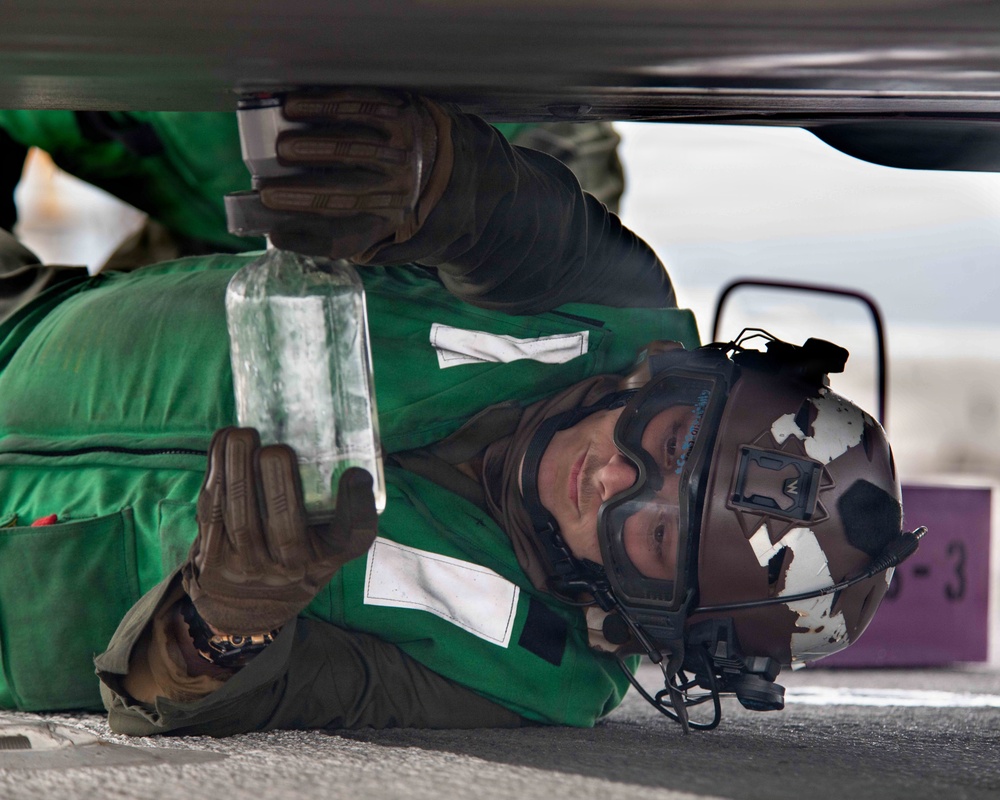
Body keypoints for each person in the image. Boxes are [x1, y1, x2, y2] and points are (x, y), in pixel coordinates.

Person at [0, 90, 913, 734]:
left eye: (657, 536)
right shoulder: (607, 309)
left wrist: (223, 623)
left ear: (649, 617)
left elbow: (258, 699)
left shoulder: (526, 675)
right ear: (679, 379)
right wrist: (425, 173)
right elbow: (502, 211)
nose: (613, 475)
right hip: (22, 324)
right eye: (671, 442)